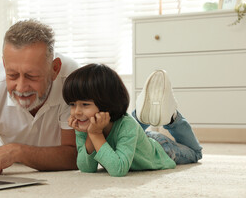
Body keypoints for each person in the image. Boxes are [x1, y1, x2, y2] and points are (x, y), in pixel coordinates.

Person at [0, 19, 79, 174]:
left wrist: (16, 151)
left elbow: (75, 155)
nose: (21, 88)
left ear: (55, 69)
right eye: (12, 75)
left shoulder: (72, 81)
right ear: (4, 64)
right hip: (6, 168)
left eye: (32, 76)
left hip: (57, 171)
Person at [62, 64, 202, 177]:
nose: (77, 112)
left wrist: (96, 135)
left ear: (107, 104)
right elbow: (86, 168)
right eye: (72, 104)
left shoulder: (126, 125)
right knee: (130, 127)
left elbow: (118, 169)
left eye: (85, 105)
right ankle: (141, 114)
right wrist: (89, 135)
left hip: (161, 149)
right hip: (136, 139)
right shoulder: (85, 125)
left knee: (196, 153)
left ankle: (172, 117)